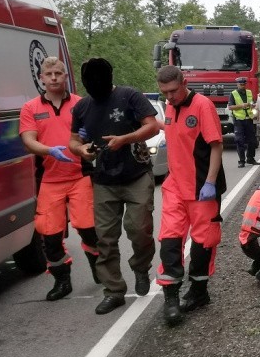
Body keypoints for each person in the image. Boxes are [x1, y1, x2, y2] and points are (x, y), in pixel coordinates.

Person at [69, 58, 159, 315]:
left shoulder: (129, 95)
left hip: (136, 173)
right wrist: (81, 149)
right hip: (103, 179)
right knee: (105, 238)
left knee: (138, 228)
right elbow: (73, 140)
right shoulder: (82, 107)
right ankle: (114, 291)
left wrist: (125, 139)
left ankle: (141, 268)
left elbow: (152, 126)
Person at [19, 57, 99, 302]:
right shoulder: (30, 108)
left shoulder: (82, 104)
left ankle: (100, 269)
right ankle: (62, 281)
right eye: (48, 74)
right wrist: (47, 150)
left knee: (90, 230)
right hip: (49, 179)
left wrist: (89, 140)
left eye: (58, 73)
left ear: (66, 77)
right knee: (50, 236)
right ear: (41, 78)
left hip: (80, 176)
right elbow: (28, 140)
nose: (53, 78)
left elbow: (97, 136)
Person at [156, 65, 227, 326]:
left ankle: (199, 292)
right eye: (164, 92)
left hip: (201, 188)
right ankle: (171, 297)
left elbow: (216, 146)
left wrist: (209, 182)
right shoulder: (170, 108)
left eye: (173, 91)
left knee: (203, 242)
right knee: (170, 241)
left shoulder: (202, 106)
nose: (170, 96)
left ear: (184, 83)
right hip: (175, 187)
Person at [228, 76, 260, 168]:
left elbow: (252, 103)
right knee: (239, 140)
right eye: (241, 84)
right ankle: (241, 161)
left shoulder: (249, 92)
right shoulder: (233, 94)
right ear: (237, 84)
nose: (242, 86)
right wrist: (242, 105)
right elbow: (230, 107)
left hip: (249, 119)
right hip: (239, 120)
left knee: (252, 140)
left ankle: (250, 158)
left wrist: (253, 106)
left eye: (244, 84)